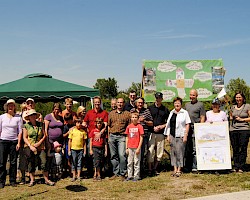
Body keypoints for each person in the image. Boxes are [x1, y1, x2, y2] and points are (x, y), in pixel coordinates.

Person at [23, 109, 55, 186]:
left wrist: (39, 143)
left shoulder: (41, 124)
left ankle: (46, 179)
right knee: (31, 162)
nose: (33, 116)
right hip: (30, 146)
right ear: (29, 117)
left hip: (40, 146)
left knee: (44, 161)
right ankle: (32, 180)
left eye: (34, 115)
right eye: (31, 115)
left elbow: (44, 135)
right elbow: (25, 137)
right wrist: (31, 146)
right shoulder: (26, 126)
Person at [164, 97, 191, 177]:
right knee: (173, 153)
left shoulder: (184, 112)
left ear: (181, 104)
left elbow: (187, 124)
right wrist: (168, 135)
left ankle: (179, 169)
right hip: (172, 135)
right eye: (175, 103)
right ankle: (174, 169)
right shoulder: (172, 112)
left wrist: (185, 135)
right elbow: (168, 125)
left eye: (178, 103)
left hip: (181, 135)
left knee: (180, 152)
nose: (177, 104)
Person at [83, 96, 108, 177]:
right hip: (91, 137)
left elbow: (106, 125)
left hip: (101, 137)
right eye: (95, 102)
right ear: (93, 103)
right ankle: (91, 171)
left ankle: (100, 171)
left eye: (98, 102)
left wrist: (100, 133)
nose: (97, 103)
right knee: (90, 154)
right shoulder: (89, 112)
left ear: (100, 103)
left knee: (100, 156)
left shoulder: (104, 113)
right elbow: (85, 122)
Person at [0, 99, 23, 188]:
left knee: (13, 162)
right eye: (9, 105)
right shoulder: (2, 117)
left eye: (12, 105)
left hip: (14, 141)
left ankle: (12, 180)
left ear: (14, 107)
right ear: (6, 107)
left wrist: (18, 143)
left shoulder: (18, 117)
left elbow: (20, 131)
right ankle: (1, 181)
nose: (10, 107)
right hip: (3, 140)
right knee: (2, 162)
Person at [108, 98, 131, 181]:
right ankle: (115, 173)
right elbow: (109, 126)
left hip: (122, 137)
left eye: (121, 102)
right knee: (113, 156)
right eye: (118, 102)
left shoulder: (127, 114)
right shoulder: (111, 114)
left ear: (124, 104)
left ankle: (122, 173)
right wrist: (108, 137)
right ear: (116, 104)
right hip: (112, 136)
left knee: (122, 155)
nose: (120, 104)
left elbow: (129, 127)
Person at [148, 92, 170, 176]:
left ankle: (155, 168)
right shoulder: (150, 108)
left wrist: (162, 126)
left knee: (159, 152)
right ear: (155, 98)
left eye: (159, 98)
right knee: (150, 152)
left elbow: (168, 122)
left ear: (162, 99)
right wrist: (152, 126)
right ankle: (150, 169)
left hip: (161, 133)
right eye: (157, 98)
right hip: (151, 133)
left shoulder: (165, 109)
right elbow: (147, 120)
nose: (158, 99)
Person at [131, 97, 153, 177]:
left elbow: (151, 123)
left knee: (142, 152)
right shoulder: (132, 111)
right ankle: (133, 172)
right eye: (139, 102)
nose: (140, 104)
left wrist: (145, 121)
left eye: (141, 103)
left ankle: (141, 171)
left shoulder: (146, 111)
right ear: (136, 103)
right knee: (133, 154)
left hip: (143, 135)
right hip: (133, 135)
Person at [184, 89, 206, 172]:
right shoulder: (186, 105)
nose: (191, 97)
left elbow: (202, 116)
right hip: (187, 128)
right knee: (187, 148)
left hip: (196, 128)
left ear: (196, 96)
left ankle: (195, 166)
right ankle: (187, 166)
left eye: (193, 95)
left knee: (195, 149)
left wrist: (201, 128)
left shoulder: (200, 105)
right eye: (190, 95)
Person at [229, 91, 250, 173]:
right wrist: (231, 117)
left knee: (243, 148)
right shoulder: (232, 107)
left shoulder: (247, 106)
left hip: (244, 129)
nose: (238, 99)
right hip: (233, 129)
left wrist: (242, 119)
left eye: (239, 97)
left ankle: (241, 166)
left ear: (243, 98)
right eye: (237, 97)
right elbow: (230, 117)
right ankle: (236, 165)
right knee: (235, 148)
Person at [125, 112, 144, 181]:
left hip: (136, 147)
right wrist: (126, 147)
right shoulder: (129, 126)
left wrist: (139, 148)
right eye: (133, 117)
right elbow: (127, 137)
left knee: (136, 161)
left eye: (135, 117)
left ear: (138, 118)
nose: (134, 119)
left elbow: (141, 137)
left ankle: (136, 175)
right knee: (129, 162)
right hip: (130, 147)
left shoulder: (140, 126)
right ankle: (130, 175)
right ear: (131, 118)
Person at [62, 113, 74, 177]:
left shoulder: (75, 125)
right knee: (68, 158)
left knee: (74, 158)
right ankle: (70, 171)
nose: (69, 121)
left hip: (75, 144)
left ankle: (75, 171)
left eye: (70, 120)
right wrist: (68, 132)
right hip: (67, 144)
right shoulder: (65, 127)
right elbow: (63, 135)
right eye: (67, 120)